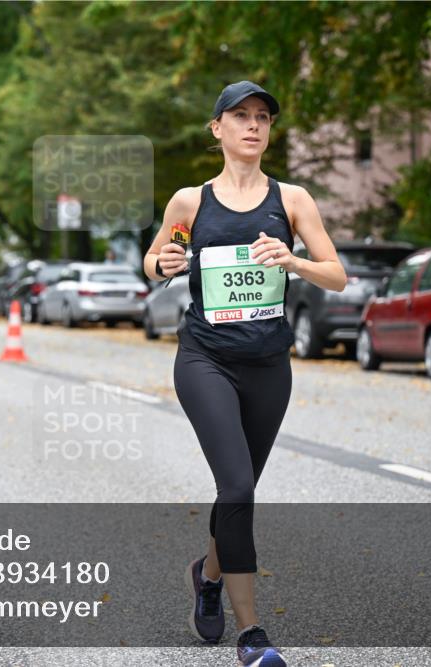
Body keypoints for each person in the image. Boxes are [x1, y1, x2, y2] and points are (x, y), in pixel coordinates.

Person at [143, 81, 346, 666]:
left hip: (268, 364)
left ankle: (206, 575)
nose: (253, 125)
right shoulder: (190, 202)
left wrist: (293, 260)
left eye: (263, 117)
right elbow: (155, 258)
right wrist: (167, 261)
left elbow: (335, 274)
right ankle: (252, 635)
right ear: (218, 129)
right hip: (205, 357)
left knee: (239, 492)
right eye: (241, 116)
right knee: (236, 488)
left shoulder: (292, 200)